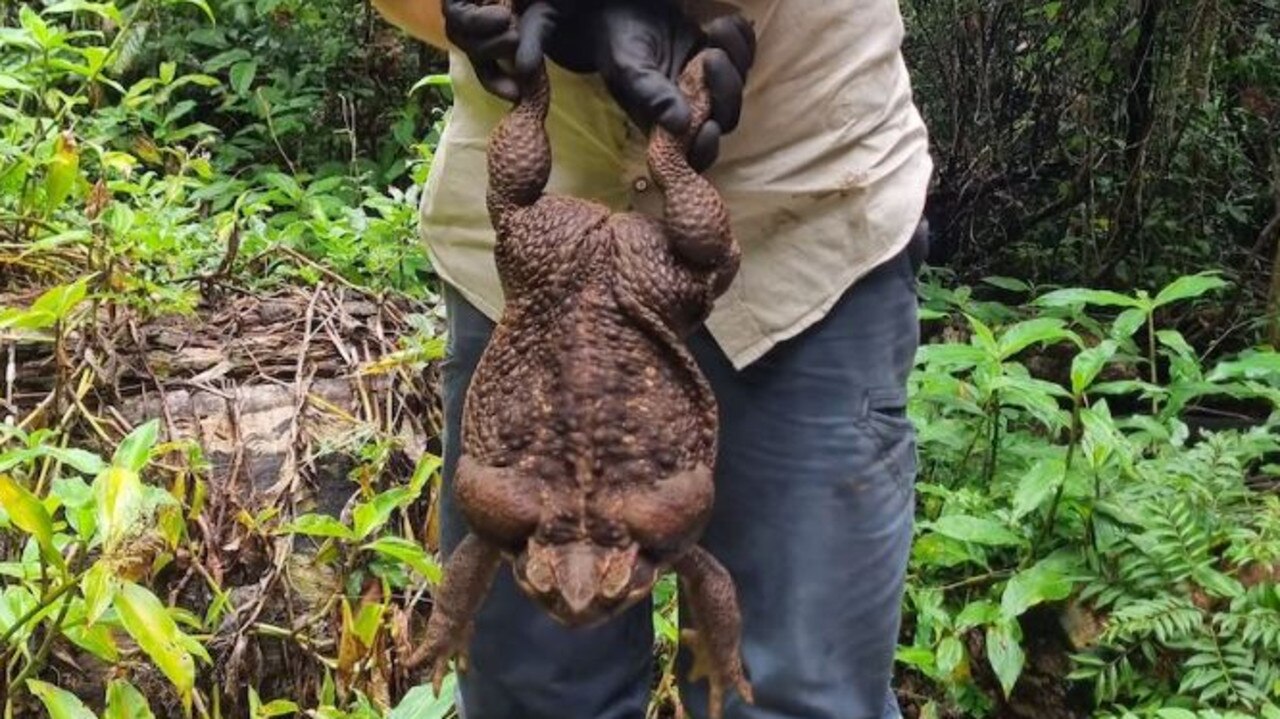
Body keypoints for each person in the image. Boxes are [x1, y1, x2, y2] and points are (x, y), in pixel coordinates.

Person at [370, 1, 933, 717]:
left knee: (794, 693)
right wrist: (519, 20)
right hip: (534, 267)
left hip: (800, 215)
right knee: (532, 699)